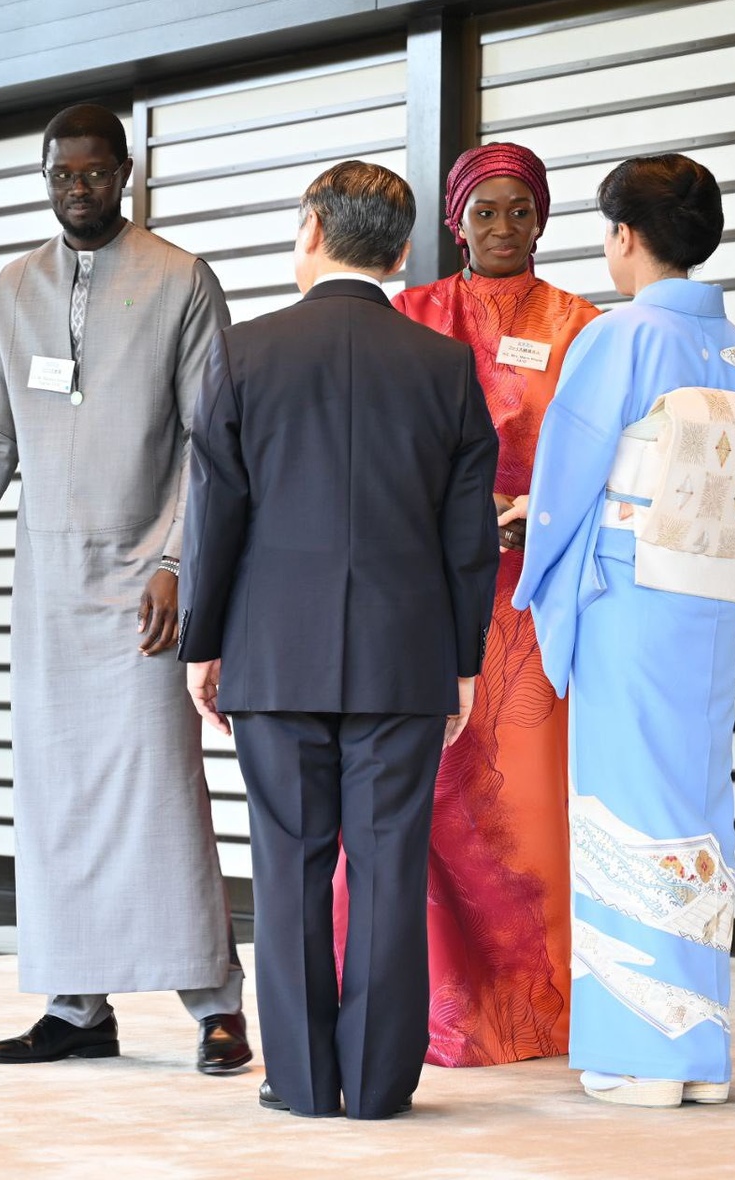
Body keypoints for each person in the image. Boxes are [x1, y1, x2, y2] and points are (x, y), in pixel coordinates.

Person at [0, 103, 251, 1074]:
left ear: (125, 173)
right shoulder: (11, 290)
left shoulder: (181, 278)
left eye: (96, 172)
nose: (79, 188)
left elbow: (212, 439)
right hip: (49, 589)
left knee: (163, 791)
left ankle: (215, 1005)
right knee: (57, 795)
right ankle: (75, 1004)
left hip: (146, 585)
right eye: (63, 174)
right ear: (44, 177)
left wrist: (177, 563)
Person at [177, 160, 500, 1119]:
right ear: (403, 252)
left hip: (272, 654)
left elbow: (214, 516)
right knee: (389, 863)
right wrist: (465, 660)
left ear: (311, 229)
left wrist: (203, 643)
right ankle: (379, 1085)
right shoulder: (443, 367)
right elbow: (467, 537)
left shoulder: (242, 353)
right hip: (406, 660)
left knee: (288, 869)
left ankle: (306, 1083)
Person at [514, 153, 735, 1107]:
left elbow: (567, 475)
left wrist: (534, 555)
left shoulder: (618, 334)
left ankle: (644, 1053)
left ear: (624, 237)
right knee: (694, 805)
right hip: (708, 597)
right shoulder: (734, 347)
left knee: (623, 805)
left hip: (630, 599)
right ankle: (698, 1047)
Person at [331, 141, 600, 1067]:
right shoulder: (411, 313)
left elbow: (611, 451)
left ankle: (529, 1011)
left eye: (519, 211)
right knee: (421, 798)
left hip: (530, 597)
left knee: (523, 807)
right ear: (453, 220)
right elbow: (371, 446)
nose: (501, 228)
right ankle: (422, 1010)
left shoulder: (582, 323)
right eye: (483, 211)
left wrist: (545, 514)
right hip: (422, 590)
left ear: (543, 220)